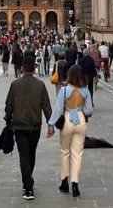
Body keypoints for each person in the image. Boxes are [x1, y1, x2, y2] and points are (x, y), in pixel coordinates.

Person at [5, 56, 51, 200]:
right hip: (35, 125)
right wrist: (51, 123)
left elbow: (9, 105)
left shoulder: (15, 84)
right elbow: (46, 106)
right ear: (34, 68)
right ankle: (28, 181)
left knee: (24, 155)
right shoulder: (40, 85)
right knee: (31, 153)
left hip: (19, 125)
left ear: (23, 68)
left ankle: (28, 186)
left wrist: (8, 120)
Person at [48, 65, 93, 198]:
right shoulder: (85, 91)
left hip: (67, 119)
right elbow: (89, 110)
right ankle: (75, 183)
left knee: (65, 152)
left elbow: (57, 109)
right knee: (77, 154)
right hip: (80, 121)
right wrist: (82, 111)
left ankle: (64, 181)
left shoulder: (64, 90)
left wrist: (51, 124)